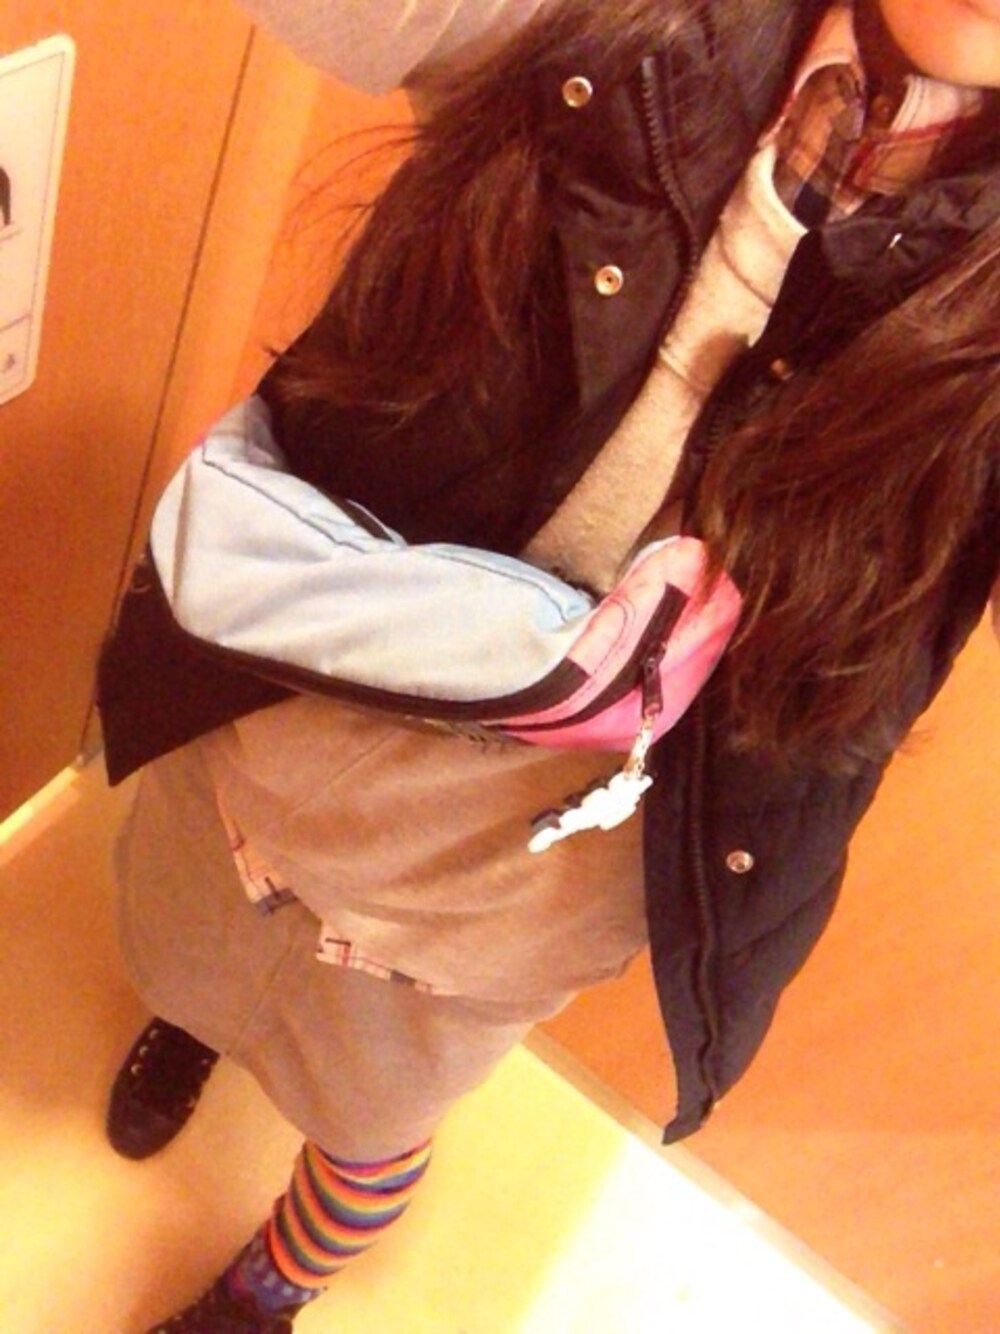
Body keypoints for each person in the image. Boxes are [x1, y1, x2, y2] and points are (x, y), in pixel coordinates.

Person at [97, 0, 1000, 1329]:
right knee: (190, 929)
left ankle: (270, 1286)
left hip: (516, 875)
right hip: (296, 688)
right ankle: (197, 1022)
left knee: (372, 1122)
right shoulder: (628, 24)